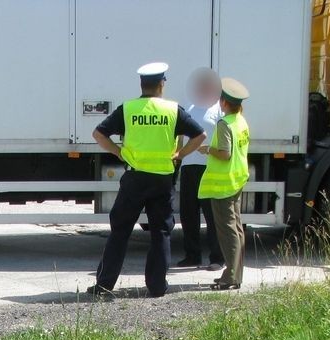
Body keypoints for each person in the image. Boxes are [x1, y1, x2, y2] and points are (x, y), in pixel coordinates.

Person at [88, 62, 207, 298]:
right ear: (162, 84)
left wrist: (117, 151)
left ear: (142, 84)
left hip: (134, 178)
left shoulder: (129, 109)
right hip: (162, 179)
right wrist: (179, 154)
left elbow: (98, 133)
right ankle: (157, 287)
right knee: (160, 233)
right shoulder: (174, 110)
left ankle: (104, 285)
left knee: (120, 231)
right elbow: (200, 135)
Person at [197, 78, 250, 291]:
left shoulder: (224, 124)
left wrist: (208, 149)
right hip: (237, 180)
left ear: (224, 102)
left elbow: (225, 154)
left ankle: (230, 276)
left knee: (227, 232)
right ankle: (237, 274)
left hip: (224, 185)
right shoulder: (241, 121)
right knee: (237, 229)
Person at [176, 68, 224, 270]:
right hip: (189, 167)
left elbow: (224, 140)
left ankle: (217, 258)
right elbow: (180, 135)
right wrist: (179, 155)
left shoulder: (218, 110)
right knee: (188, 214)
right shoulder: (189, 107)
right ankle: (192, 255)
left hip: (208, 168)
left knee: (212, 216)